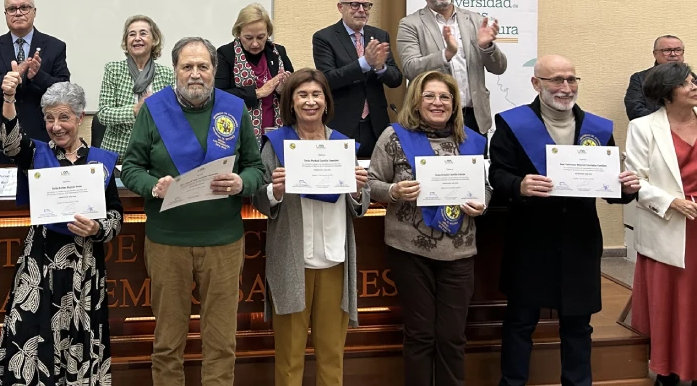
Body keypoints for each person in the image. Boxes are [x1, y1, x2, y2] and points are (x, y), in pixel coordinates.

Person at [121, 36, 267, 386]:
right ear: (175, 70)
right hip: (167, 242)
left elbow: (256, 168)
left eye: (203, 66)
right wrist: (154, 186)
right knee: (168, 342)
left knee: (220, 342)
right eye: (187, 66)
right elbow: (130, 168)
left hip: (223, 243)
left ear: (214, 70)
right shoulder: (154, 109)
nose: (195, 74)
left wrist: (241, 183)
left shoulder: (234, 109)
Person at [488, 54, 640, 386]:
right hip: (530, 239)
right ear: (536, 83)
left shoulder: (597, 129)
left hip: (579, 239)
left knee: (577, 325)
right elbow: (497, 174)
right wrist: (519, 184)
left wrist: (626, 188)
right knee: (520, 321)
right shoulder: (511, 124)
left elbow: (611, 188)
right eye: (556, 79)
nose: (565, 87)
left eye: (571, 79)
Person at [0, 80, 123, 386]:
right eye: (49, 118)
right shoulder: (36, 154)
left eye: (63, 118)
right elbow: (10, 144)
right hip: (40, 265)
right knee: (30, 339)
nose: (56, 126)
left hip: (84, 267)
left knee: (80, 339)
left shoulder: (99, 163)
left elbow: (116, 215)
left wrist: (98, 227)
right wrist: (9, 98)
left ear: (79, 118)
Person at [367, 71, 490, 386]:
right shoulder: (394, 137)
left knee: (452, 336)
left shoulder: (472, 141)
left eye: (445, 97)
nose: (438, 102)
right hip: (410, 251)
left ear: (454, 103)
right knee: (420, 335)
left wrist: (482, 202)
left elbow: (484, 187)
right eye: (430, 96)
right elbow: (370, 184)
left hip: (459, 252)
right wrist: (393, 192)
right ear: (417, 101)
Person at [251, 68, 370, 386]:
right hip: (293, 261)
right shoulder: (276, 145)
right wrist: (274, 192)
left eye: (316, 94)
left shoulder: (343, 146)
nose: (310, 101)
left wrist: (358, 189)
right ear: (290, 103)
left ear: (327, 102)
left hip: (335, 259)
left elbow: (360, 206)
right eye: (302, 95)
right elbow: (258, 199)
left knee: (332, 356)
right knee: (289, 359)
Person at [626, 62, 697, 386]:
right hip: (669, 224)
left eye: (693, 79)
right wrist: (671, 201)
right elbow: (635, 181)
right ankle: (667, 371)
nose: (694, 85)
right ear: (667, 94)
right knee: (671, 304)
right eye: (686, 83)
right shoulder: (643, 127)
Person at [397, 0, 507, 135]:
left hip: (473, 116)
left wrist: (486, 47)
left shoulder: (474, 20)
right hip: (432, 115)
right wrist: (446, 54)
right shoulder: (410, 24)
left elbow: (499, 68)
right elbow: (411, 68)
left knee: (475, 161)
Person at [0, 0, 70, 164]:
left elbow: (65, 90)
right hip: (0, 140)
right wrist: (5, 81)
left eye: (24, 7)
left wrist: (38, 76)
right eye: (12, 9)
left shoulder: (55, 46)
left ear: (34, 12)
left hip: (41, 135)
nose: (18, 13)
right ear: (5, 13)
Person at [312, 0, 403, 158]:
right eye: (354, 5)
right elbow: (328, 79)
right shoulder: (324, 37)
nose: (361, 10)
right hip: (342, 122)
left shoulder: (379, 35)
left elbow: (396, 79)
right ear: (341, 7)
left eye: (366, 5)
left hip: (375, 123)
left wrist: (380, 67)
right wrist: (364, 63)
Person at [96, 14, 175, 155]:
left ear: (154, 40)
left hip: (153, 153)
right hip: (117, 153)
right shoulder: (113, 69)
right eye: (132, 34)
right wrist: (135, 110)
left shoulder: (167, 74)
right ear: (126, 42)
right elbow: (103, 114)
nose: (137, 38)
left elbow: (171, 116)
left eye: (143, 33)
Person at [216, 3, 294, 142]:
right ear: (238, 33)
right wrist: (258, 93)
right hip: (237, 132)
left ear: (268, 33)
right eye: (248, 37)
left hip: (276, 130)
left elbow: (295, 91)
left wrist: (283, 90)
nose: (255, 44)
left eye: (261, 37)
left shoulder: (278, 52)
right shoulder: (225, 54)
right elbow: (218, 95)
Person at [626, 35, 685, 120]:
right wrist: (667, 122)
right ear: (655, 54)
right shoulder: (640, 78)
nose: (673, 54)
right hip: (652, 129)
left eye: (678, 50)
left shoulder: (692, 79)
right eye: (667, 50)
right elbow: (634, 109)